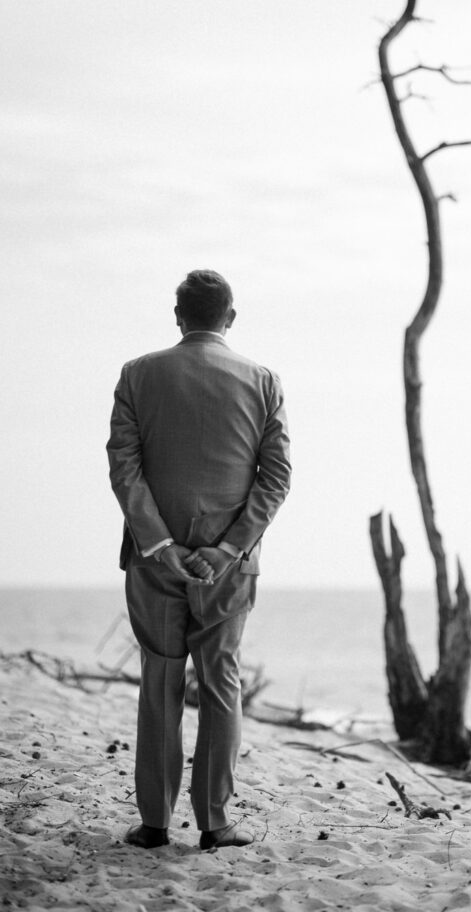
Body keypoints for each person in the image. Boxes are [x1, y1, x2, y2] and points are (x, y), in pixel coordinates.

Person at [107, 269, 291, 850]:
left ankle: (155, 824)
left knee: (160, 680)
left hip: (153, 559)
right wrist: (229, 547)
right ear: (229, 317)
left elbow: (124, 466)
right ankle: (216, 824)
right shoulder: (263, 381)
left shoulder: (138, 374)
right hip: (228, 567)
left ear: (178, 315)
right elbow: (276, 476)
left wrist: (159, 543)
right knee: (221, 684)